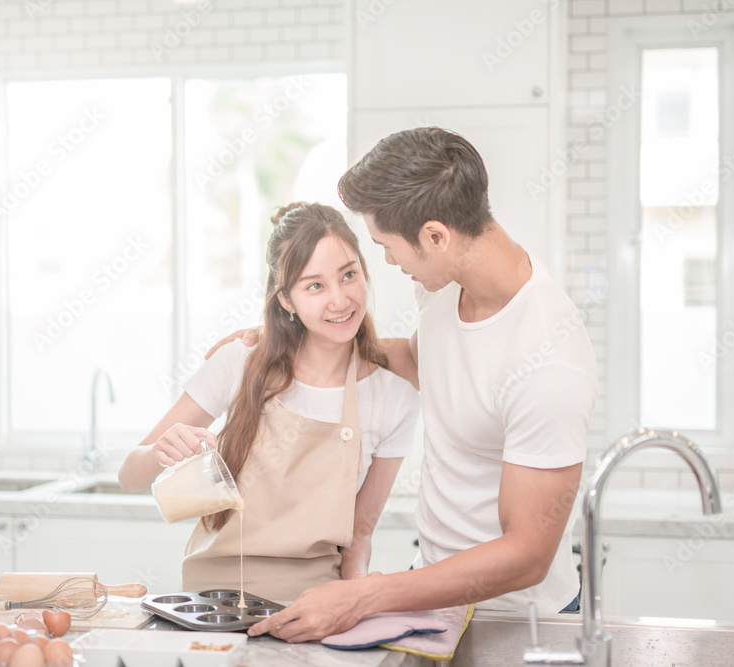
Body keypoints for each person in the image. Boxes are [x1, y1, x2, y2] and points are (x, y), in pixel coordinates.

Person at [245, 127, 598, 642]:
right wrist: (300, 336)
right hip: (436, 598)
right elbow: (420, 357)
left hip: (517, 622)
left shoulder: (548, 361)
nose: (389, 261)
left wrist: (365, 593)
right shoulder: (442, 289)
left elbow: (527, 555)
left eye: (387, 246)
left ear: (435, 236)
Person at [118, 201, 420, 602]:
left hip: (313, 606)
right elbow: (128, 478)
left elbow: (360, 532)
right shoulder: (239, 362)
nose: (340, 299)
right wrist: (160, 450)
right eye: (314, 285)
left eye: (348, 275)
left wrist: (358, 593)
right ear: (286, 300)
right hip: (211, 604)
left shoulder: (393, 397)